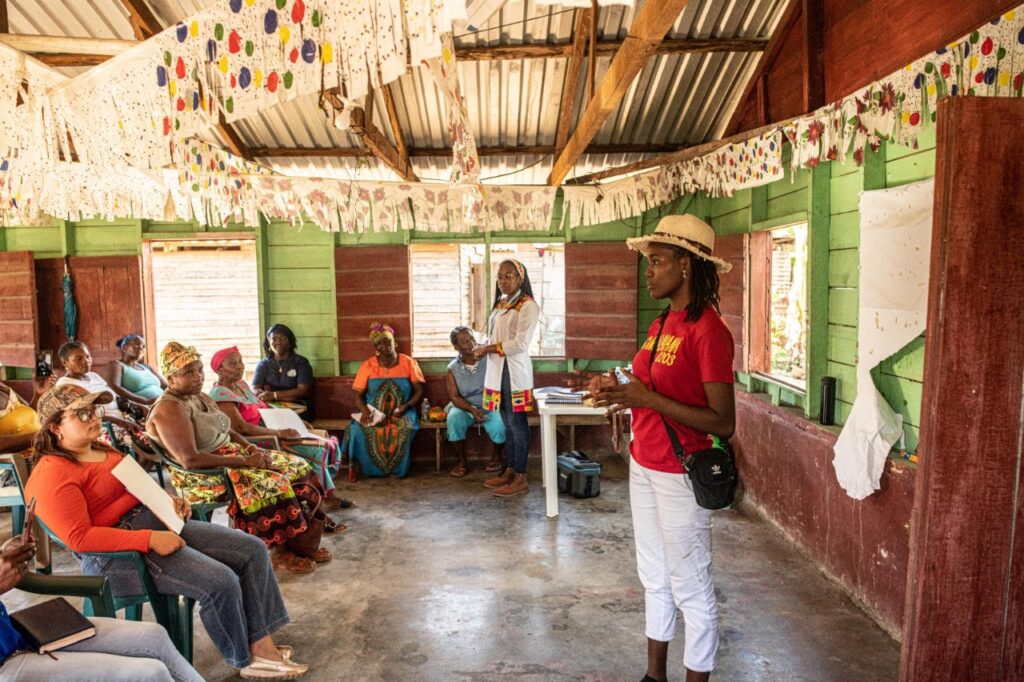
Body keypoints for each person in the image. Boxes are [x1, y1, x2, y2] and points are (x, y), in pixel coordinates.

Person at [24, 384, 308, 679]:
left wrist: (168, 500)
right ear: (55, 426)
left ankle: (260, 644)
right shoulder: (52, 473)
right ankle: (243, 658)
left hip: (155, 521)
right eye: (81, 414)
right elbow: (80, 538)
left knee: (251, 549)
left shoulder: (100, 449)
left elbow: (132, 486)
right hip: (116, 556)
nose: (94, 417)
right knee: (219, 581)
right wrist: (148, 539)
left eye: (94, 409)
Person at [586, 214, 736, 682]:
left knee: (689, 584)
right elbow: (647, 383)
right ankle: (654, 676)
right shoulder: (661, 324)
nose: (647, 271)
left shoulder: (709, 332)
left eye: (656, 261)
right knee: (654, 578)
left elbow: (723, 422)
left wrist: (645, 397)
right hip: (644, 461)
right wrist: (617, 386)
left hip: (680, 471)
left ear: (686, 265)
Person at [146, 342, 337, 575]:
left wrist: (251, 450)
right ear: (171, 378)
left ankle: (301, 540)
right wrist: (246, 462)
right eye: (188, 372)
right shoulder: (169, 409)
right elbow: (190, 460)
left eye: (198, 370)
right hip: (202, 476)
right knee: (269, 482)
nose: (197, 377)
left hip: (229, 458)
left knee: (296, 466)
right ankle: (279, 551)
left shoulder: (200, 397)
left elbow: (229, 431)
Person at [0, 534, 203, 681]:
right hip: (5, 663)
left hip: (12, 632)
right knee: (149, 673)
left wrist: (4, 555)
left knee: (153, 636)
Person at [208, 346, 350, 511]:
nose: (240, 366)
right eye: (233, 363)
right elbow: (242, 428)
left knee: (325, 441)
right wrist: (279, 432)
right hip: (259, 439)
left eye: (240, 361)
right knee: (317, 450)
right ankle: (322, 498)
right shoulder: (221, 395)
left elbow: (262, 406)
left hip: (269, 426)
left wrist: (294, 420)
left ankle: (317, 495)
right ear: (219, 370)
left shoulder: (240, 384)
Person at [475, 260, 540, 497]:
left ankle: (521, 476)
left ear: (520, 278)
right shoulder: (501, 304)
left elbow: (521, 343)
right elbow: (496, 335)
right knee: (507, 423)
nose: (503, 281)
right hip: (497, 371)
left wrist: (489, 348)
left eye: (508, 276)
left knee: (517, 423)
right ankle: (510, 470)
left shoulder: (528, 306)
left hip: (514, 372)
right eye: (500, 277)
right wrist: (483, 345)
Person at [348, 323, 424, 478]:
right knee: (358, 429)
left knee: (404, 429)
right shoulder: (367, 365)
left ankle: (397, 471)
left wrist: (406, 406)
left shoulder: (408, 362)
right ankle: (367, 470)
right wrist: (365, 412)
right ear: (376, 348)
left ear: (394, 342)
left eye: (387, 341)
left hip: (403, 411)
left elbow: (419, 391)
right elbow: (358, 395)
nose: (384, 346)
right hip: (373, 411)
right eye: (379, 344)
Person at [55, 341, 146, 446]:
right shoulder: (65, 385)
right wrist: (119, 421)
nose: (86, 361)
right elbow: (84, 416)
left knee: (155, 431)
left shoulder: (93, 376)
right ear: (64, 362)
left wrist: (140, 407)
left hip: (123, 418)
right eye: (79, 358)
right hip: (101, 427)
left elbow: (117, 398)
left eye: (88, 357)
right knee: (143, 442)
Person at [444, 326, 505, 478]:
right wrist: (472, 410)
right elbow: (455, 397)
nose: (470, 343)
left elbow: (500, 385)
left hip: (490, 404)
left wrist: (488, 407)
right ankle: (462, 461)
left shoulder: (490, 360)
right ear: (456, 347)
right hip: (465, 406)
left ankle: (496, 456)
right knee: (454, 419)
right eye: (464, 342)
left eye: (471, 338)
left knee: (500, 424)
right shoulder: (452, 368)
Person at [252, 324, 316, 420]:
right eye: (274, 339)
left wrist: (274, 395)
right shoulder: (263, 364)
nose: (278, 342)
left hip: (298, 406)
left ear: (290, 341)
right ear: (268, 342)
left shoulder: (301, 362)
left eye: (283, 338)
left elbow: (302, 390)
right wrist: (261, 394)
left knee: (284, 418)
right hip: (271, 406)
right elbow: (255, 388)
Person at [102, 334, 167, 405]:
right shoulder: (116, 365)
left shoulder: (147, 367)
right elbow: (115, 388)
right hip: (143, 407)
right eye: (137, 344)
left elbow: (166, 386)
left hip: (163, 402)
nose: (141, 348)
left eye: (143, 346)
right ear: (124, 347)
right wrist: (145, 401)